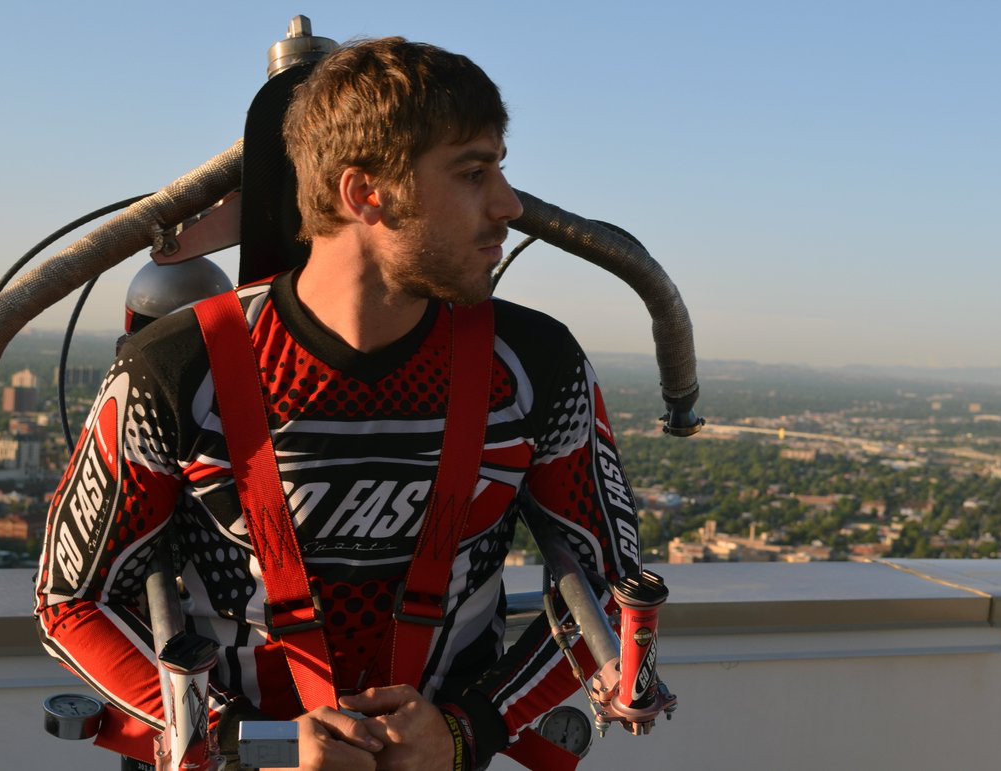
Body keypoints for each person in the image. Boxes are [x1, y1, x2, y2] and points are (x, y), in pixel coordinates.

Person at [35, 37, 643, 771]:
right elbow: (73, 600)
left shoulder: (535, 364)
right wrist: (253, 742)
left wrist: (464, 731)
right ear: (364, 193)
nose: (509, 206)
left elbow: (613, 587)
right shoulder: (177, 367)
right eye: (473, 173)